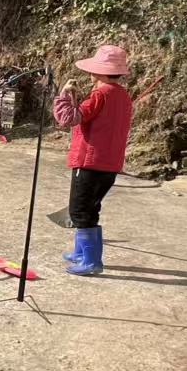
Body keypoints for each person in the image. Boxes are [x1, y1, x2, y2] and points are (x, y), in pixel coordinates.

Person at [53, 44, 133, 277]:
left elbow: (69, 118)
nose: (90, 74)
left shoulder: (99, 95)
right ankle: (81, 252)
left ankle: (91, 261)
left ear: (100, 72)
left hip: (90, 161)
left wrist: (64, 95)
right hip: (109, 162)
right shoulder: (121, 95)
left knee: (80, 211)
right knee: (91, 208)